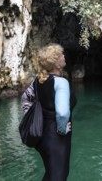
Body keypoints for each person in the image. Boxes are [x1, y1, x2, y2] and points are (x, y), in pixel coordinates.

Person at [21, 43, 76, 181]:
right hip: (56, 138)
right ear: (57, 64)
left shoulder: (39, 81)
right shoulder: (61, 82)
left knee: (51, 175)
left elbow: (25, 97)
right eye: (61, 55)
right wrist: (62, 129)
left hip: (41, 135)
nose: (64, 56)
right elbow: (62, 113)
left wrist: (28, 115)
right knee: (58, 177)